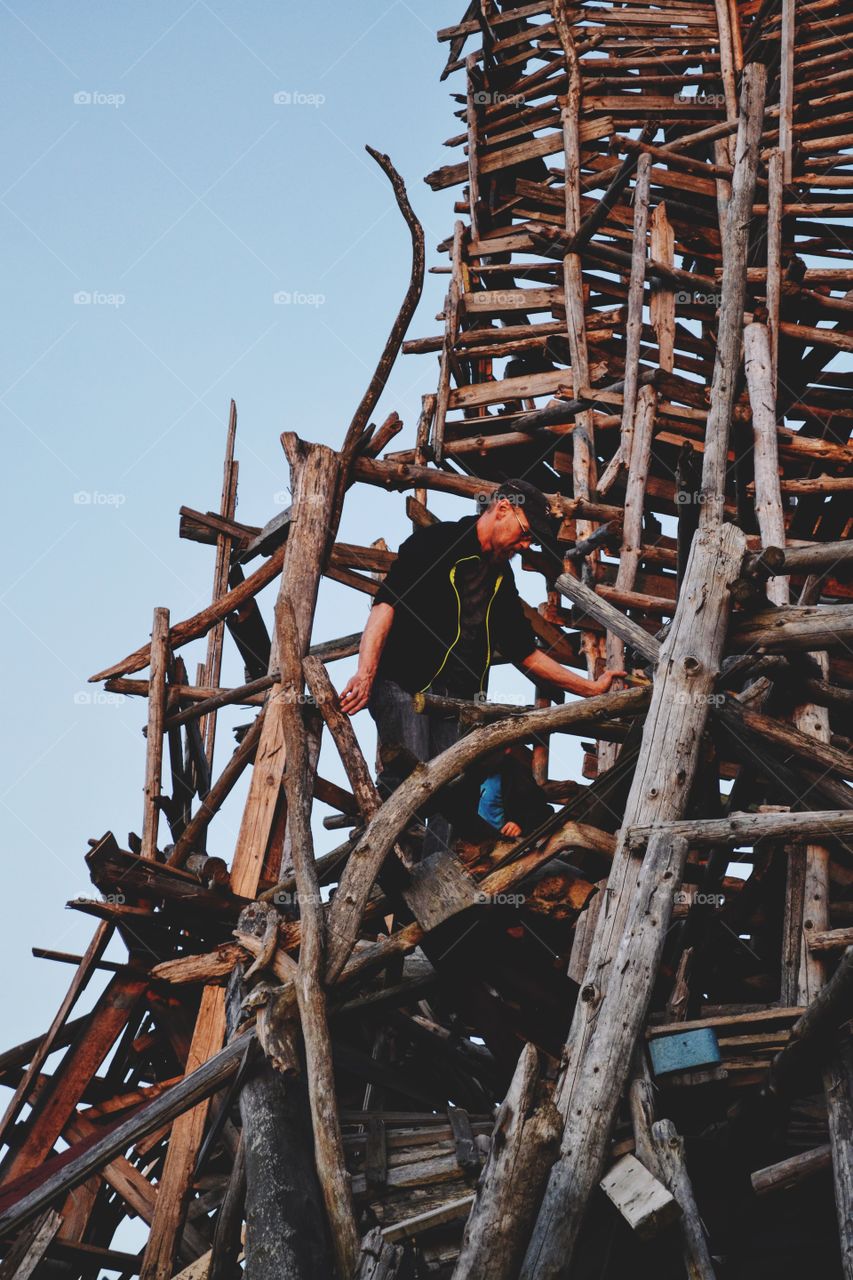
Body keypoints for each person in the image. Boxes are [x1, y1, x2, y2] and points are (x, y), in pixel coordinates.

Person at [339, 479, 623, 854]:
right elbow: (385, 606)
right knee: (410, 777)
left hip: (455, 700)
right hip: (404, 683)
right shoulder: (437, 543)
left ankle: (434, 872)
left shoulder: (502, 579)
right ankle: (381, 858)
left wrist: (591, 688)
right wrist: (366, 673)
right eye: (525, 533)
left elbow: (526, 653)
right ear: (502, 509)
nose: (525, 545)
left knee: (454, 790)